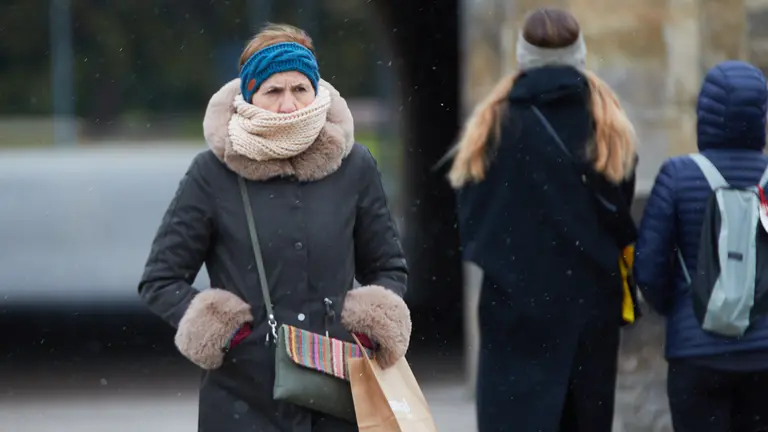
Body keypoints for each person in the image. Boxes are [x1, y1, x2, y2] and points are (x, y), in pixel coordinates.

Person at [137, 23, 410, 432]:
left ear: (316, 90)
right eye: (273, 91)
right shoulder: (211, 174)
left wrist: (367, 331)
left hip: (337, 392)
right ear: (250, 95)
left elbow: (388, 267)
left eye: (300, 89)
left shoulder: (354, 167)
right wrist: (226, 334)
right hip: (242, 399)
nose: (289, 105)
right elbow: (160, 279)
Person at [448, 8, 639, 432]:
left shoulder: (492, 123)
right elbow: (620, 211)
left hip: (513, 311)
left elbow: (472, 219)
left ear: (522, 54)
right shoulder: (607, 122)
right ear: (579, 54)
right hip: (589, 313)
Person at [634, 60, 768, 432]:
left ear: (704, 116)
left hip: (696, 357)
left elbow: (647, 268)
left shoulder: (677, 175)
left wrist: (680, 308)